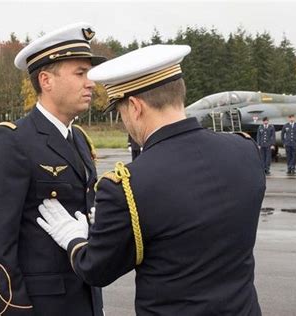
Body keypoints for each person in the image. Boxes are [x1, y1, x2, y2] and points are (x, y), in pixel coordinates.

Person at [36, 45, 265, 315]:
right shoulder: (245, 150)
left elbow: (96, 269)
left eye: (120, 111)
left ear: (134, 107)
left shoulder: (127, 186)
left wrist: (75, 239)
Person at [0, 22, 106, 316]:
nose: (91, 83)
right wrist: (15, 310)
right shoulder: (11, 141)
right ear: (46, 80)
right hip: (42, 306)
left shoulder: (80, 140)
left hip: (85, 300)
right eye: (80, 73)